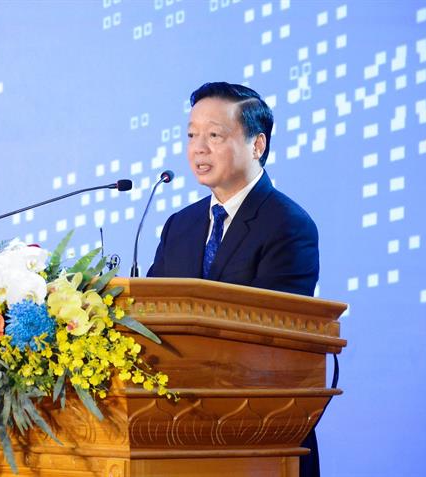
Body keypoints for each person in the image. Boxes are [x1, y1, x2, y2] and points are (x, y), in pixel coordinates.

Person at [147, 82, 321, 477]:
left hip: (258, 435)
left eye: (214, 135)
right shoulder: (181, 226)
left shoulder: (288, 225)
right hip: (176, 435)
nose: (198, 148)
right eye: (192, 135)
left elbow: (271, 338)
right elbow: (151, 317)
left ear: (257, 145)